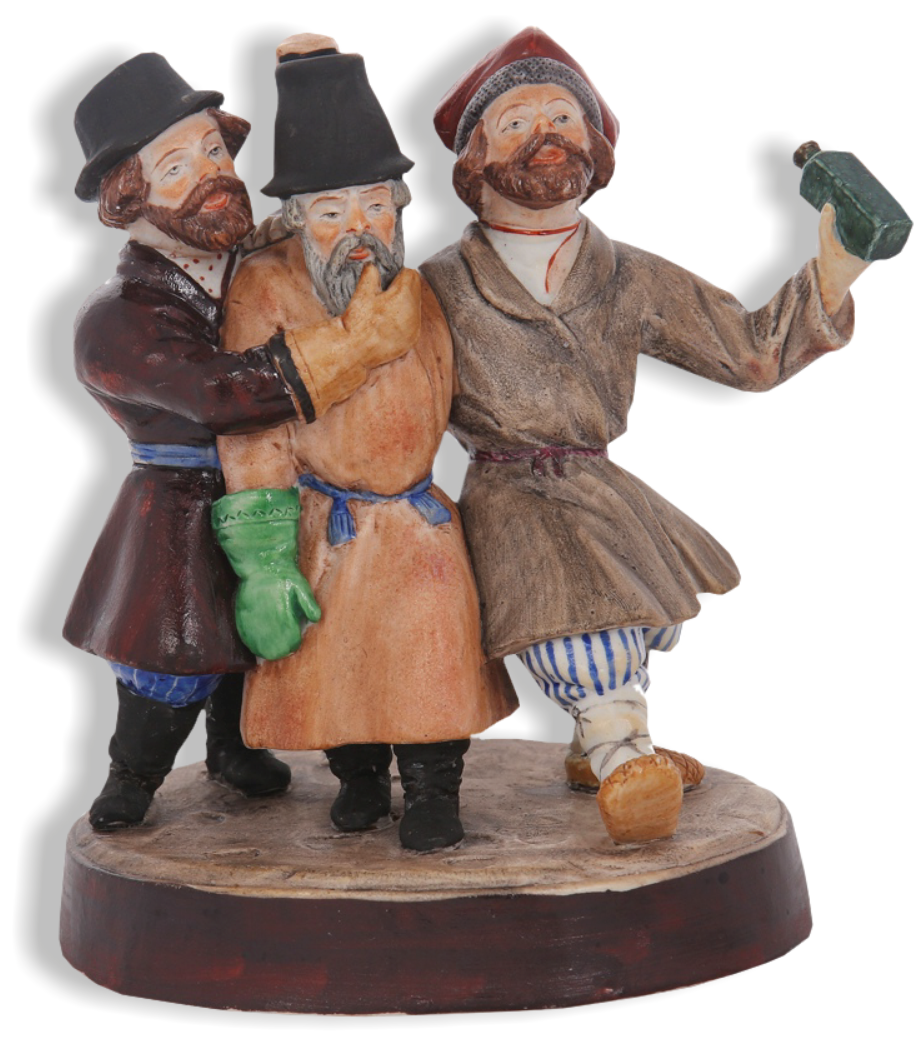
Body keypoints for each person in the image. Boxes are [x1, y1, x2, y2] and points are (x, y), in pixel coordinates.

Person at [419, 26, 869, 842]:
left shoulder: (627, 270)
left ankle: (601, 743)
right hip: (510, 491)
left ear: (595, 146)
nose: (548, 134)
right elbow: (399, 395)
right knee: (578, 623)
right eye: (517, 122)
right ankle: (623, 754)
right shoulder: (437, 286)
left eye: (565, 117)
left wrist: (829, 275)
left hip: (601, 483)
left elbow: (744, 351)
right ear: (475, 161)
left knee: (645, 615)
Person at [65, 50, 412, 831]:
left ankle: (234, 748)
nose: (213, 175)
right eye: (178, 166)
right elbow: (218, 394)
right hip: (182, 502)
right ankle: (131, 774)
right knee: (178, 654)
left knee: (278, 638)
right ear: (129, 195)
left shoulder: (252, 259)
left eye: (214, 150)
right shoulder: (115, 319)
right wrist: (353, 347)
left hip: (286, 483)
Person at [213, 35, 517, 853]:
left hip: (416, 518)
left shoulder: (419, 286)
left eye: (375, 205)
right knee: (336, 667)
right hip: (328, 518)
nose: (359, 228)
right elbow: (254, 425)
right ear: (297, 218)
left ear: (400, 207)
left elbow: (454, 390)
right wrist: (264, 556)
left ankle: (432, 788)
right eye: (332, 211)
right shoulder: (264, 287)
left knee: (431, 662)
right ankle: (357, 777)